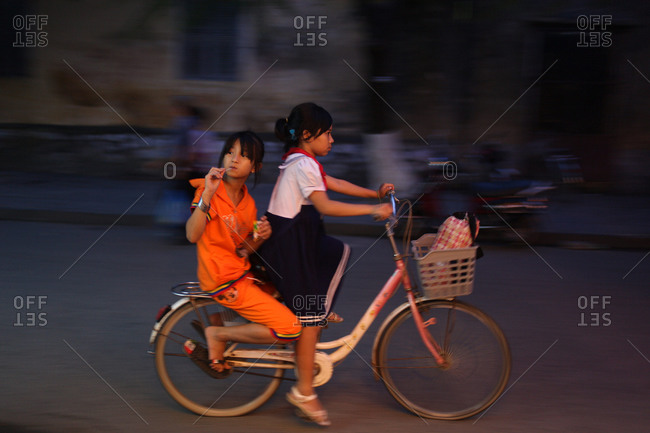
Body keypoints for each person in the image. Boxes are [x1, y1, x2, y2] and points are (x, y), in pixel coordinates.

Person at [258, 102, 394, 425]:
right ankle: (304, 392)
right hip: (289, 250)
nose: (332, 140)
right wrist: (371, 212)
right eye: (328, 134)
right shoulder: (302, 165)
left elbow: (333, 184)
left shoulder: (304, 162)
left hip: (295, 244)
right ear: (307, 135)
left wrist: (373, 194)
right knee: (311, 315)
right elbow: (325, 204)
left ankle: (314, 317)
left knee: (334, 253)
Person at [184, 131, 302, 373]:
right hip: (223, 280)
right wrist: (207, 193)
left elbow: (241, 251)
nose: (234, 159)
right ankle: (218, 334)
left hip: (240, 273)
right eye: (230, 152)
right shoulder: (211, 192)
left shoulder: (248, 203)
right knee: (291, 326)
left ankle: (219, 321)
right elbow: (192, 235)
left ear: (255, 167)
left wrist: (260, 237)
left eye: (243, 155)